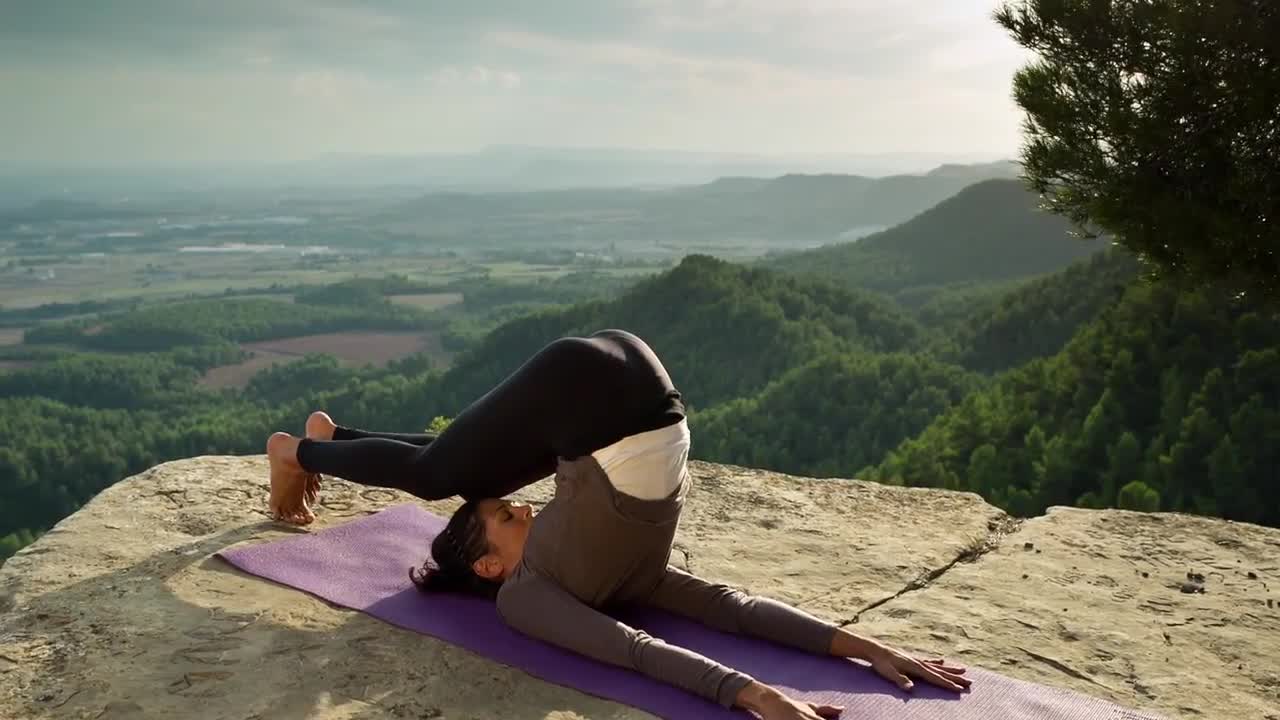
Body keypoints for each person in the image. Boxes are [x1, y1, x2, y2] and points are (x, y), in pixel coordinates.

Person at [266, 329, 971, 720]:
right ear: (487, 564)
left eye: (509, 505)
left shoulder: (533, 585)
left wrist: (847, 648)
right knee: (455, 467)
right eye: (506, 514)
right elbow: (697, 621)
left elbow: (688, 625)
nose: (522, 504)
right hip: (636, 397)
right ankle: (333, 434)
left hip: (602, 396)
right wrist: (828, 658)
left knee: (440, 475)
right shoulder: (550, 590)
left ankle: (296, 452)